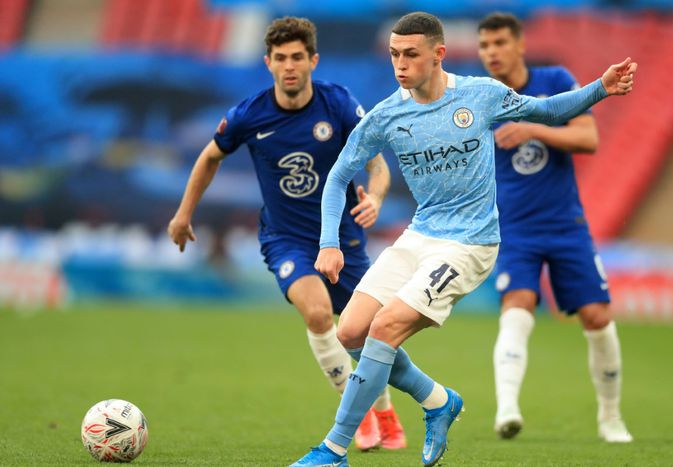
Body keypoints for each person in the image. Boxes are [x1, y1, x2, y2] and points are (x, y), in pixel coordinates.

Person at [290, 11, 636, 467]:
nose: (400, 65)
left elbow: (549, 110)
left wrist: (601, 88)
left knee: (385, 328)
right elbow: (337, 177)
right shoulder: (386, 115)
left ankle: (333, 449)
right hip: (420, 234)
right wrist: (328, 243)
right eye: (394, 54)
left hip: (470, 243)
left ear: (439, 54)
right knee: (350, 332)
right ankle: (438, 401)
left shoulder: (481, 94)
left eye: (410, 54)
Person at [167, 17, 407, 451]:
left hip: (343, 239)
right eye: (281, 58)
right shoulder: (249, 114)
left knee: (367, 332)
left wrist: (374, 196)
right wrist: (184, 214)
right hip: (286, 239)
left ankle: (385, 412)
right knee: (317, 314)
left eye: (298, 57)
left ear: (313, 60)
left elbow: (376, 162)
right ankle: (361, 416)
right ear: (268, 63)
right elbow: (209, 157)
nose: (289, 66)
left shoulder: (338, 104)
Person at [477, 12, 633, 443]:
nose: (492, 52)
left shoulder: (555, 80)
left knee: (597, 316)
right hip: (514, 228)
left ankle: (610, 417)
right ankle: (507, 409)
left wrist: (532, 130)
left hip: (565, 223)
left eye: (500, 43)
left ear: (520, 45)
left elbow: (588, 139)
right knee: (518, 305)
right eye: (485, 45)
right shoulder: (481, 98)